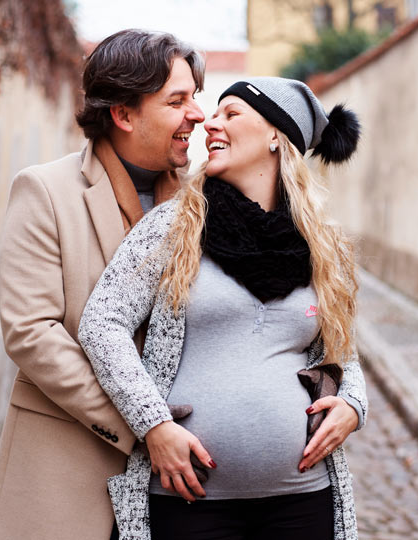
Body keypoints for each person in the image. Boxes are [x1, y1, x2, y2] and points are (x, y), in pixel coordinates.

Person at [79, 77, 367, 540]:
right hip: (191, 500)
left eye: (230, 113)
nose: (208, 122)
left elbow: (342, 350)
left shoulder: (323, 245)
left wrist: (354, 403)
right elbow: (102, 324)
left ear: (276, 135)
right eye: (214, 113)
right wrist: (152, 425)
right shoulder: (174, 227)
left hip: (303, 498)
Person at [0, 29, 205, 540]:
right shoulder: (44, 191)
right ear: (123, 114)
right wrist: (146, 426)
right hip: (66, 472)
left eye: (195, 97)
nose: (197, 114)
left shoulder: (204, 204)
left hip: (184, 490)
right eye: (177, 101)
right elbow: (31, 333)